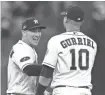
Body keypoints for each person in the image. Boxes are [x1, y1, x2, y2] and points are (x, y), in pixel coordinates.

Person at [35, 5, 98, 95]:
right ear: (82, 21)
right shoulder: (92, 44)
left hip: (64, 90)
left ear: (66, 20)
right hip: (85, 91)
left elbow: (46, 73)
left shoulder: (56, 40)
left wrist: (39, 92)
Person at [6, 17, 46, 95]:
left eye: (39, 31)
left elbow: (28, 80)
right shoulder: (20, 48)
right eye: (34, 31)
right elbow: (29, 69)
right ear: (24, 32)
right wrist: (51, 68)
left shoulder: (30, 49)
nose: (37, 34)